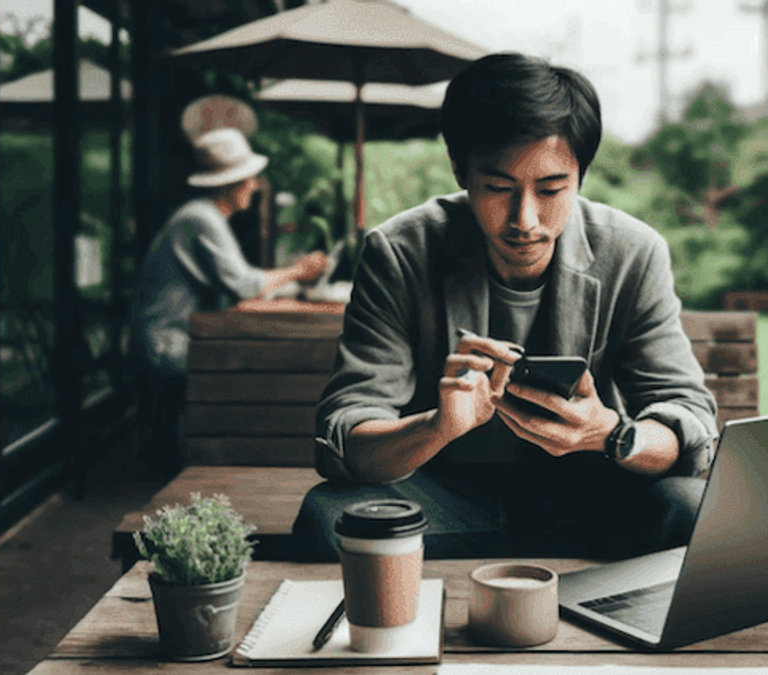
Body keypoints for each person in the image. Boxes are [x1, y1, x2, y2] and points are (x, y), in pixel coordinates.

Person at [293, 53, 718, 560]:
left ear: (581, 174)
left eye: (552, 188)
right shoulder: (400, 252)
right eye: (498, 187)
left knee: (691, 508)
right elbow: (348, 432)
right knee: (326, 518)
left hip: (593, 494)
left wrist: (611, 434)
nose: (525, 219)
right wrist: (436, 426)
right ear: (460, 170)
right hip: (447, 494)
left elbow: (688, 421)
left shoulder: (633, 253)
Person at [131, 127, 329, 474]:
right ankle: (225, 469)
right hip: (168, 344)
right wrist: (298, 271)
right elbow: (244, 284)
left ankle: (224, 464)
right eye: (250, 179)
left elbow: (236, 283)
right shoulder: (200, 218)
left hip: (181, 337)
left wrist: (286, 283)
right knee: (258, 373)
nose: (254, 187)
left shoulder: (204, 217)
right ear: (231, 183)